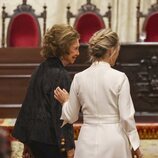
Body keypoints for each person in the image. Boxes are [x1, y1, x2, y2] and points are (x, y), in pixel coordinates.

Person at [54, 29, 143, 158]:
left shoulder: (79, 78)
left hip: (87, 139)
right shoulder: (120, 77)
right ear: (111, 51)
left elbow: (71, 116)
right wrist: (136, 145)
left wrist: (66, 102)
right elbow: (126, 117)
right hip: (114, 140)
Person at [12, 24, 80, 158]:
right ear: (64, 48)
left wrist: (27, 142)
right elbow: (61, 115)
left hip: (35, 140)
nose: (78, 53)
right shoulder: (61, 75)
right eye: (75, 49)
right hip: (50, 143)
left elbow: (28, 105)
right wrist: (69, 146)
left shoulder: (40, 68)